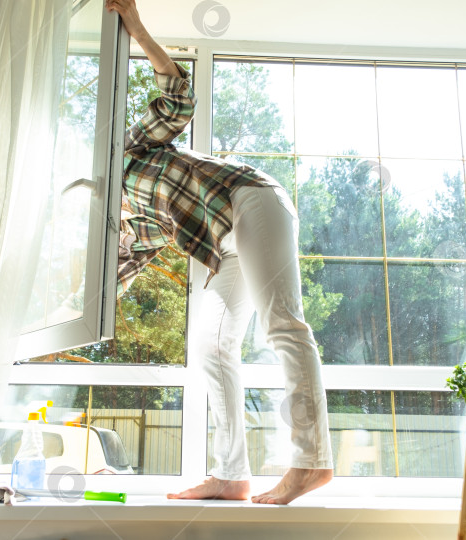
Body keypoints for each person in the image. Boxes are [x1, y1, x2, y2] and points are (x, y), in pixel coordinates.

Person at [104, 0, 333, 504]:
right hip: (225, 247)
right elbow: (107, 285)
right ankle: (231, 475)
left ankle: (311, 461)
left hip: (249, 200)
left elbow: (177, 98)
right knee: (210, 344)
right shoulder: (127, 230)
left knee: (284, 325)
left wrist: (137, 28)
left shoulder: (127, 151)